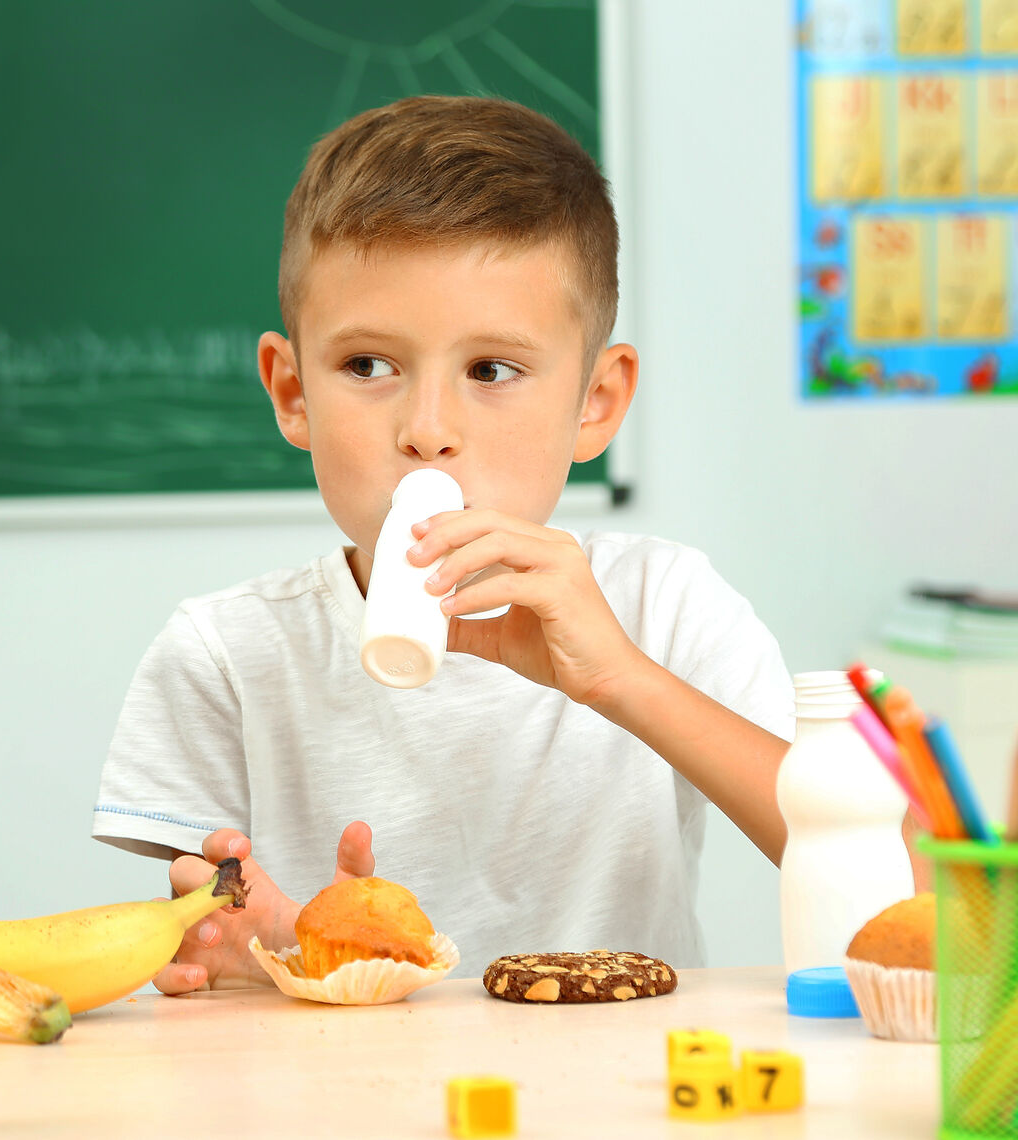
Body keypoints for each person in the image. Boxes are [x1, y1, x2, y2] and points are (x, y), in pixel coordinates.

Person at [92, 95, 794, 993]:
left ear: (597, 402)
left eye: (491, 370)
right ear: (292, 391)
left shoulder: (667, 603)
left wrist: (622, 678)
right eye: (368, 367)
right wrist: (265, 953)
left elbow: (889, 872)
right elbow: (208, 948)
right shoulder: (227, 654)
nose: (427, 431)